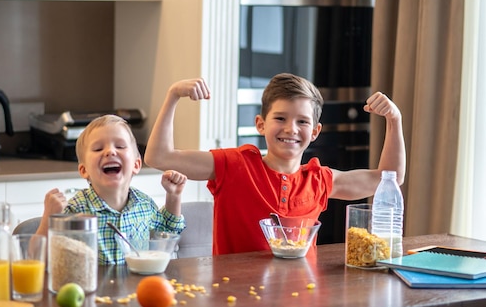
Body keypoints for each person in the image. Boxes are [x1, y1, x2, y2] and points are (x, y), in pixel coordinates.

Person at [144, 73, 406, 255]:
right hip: (233, 302)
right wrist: (173, 95)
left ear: (315, 132)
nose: (290, 129)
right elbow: (159, 156)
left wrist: (395, 120)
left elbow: (389, 178)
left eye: (302, 121)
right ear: (260, 124)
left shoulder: (319, 180)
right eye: (280, 118)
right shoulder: (233, 165)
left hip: (301, 299)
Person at [35, 114, 187, 264]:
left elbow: (169, 234)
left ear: (136, 165)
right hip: (94, 288)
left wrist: (174, 196)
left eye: (120, 146)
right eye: (98, 148)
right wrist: (49, 218)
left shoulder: (145, 205)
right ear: (84, 170)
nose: (110, 151)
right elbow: (37, 259)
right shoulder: (76, 210)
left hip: (137, 286)